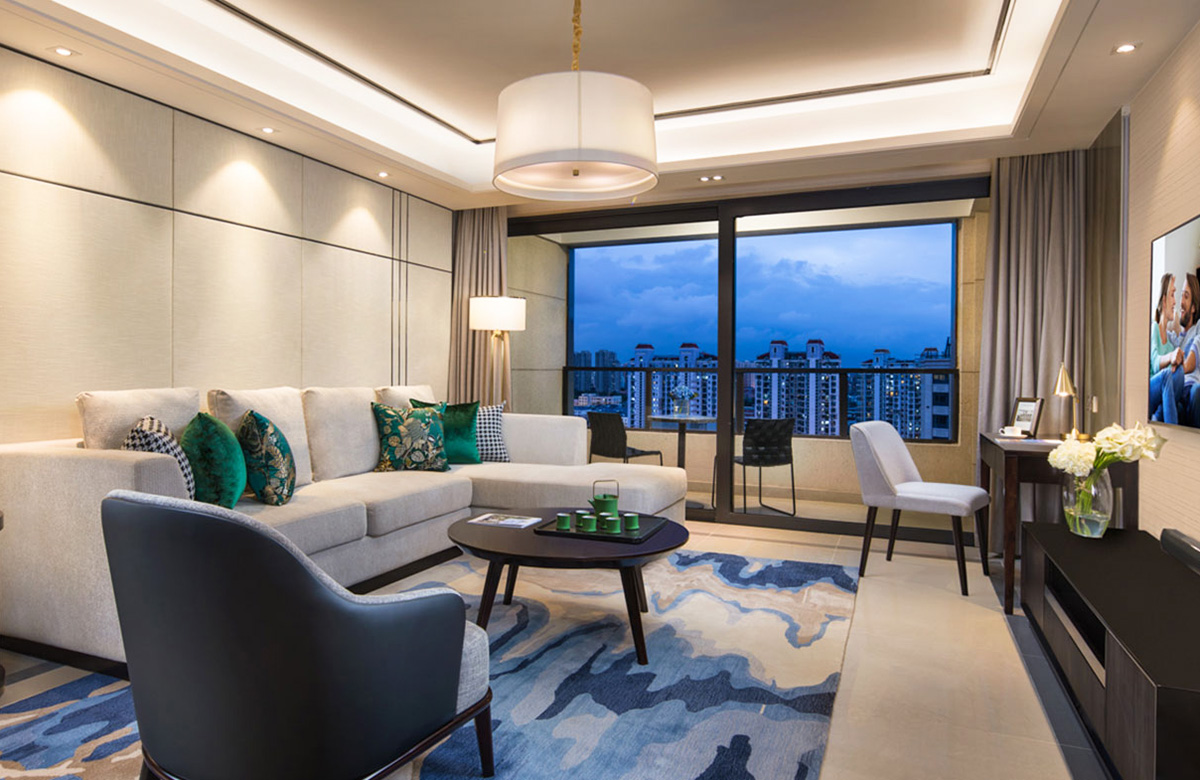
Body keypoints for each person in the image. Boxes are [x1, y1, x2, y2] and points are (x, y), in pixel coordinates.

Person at [1150, 273, 1184, 423]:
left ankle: (1158, 416)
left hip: (1162, 396)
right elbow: (1155, 363)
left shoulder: (1170, 344)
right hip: (1150, 391)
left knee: (1180, 371)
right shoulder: (1154, 328)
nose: (1175, 301)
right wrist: (1171, 357)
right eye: (1172, 294)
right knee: (1165, 376)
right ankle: (1160, 417)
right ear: (1164, 300)